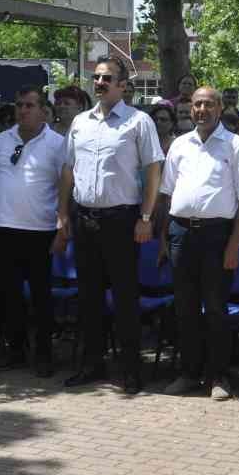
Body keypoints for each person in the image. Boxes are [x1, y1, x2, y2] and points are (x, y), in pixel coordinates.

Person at [56, 56, 163, 395]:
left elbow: (154, 172)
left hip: (122, 220)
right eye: (97, 77)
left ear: (122, 85)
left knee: (125, 298)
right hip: (85, 218)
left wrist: (146, 217)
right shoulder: (80, 123)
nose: (100, 83)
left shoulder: (138, 122)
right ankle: (92, 364)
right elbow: (68, 171)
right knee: (88, 298)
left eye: (107, 78)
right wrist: (62, 215)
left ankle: (130, 370)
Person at [158, 85, 239, 401]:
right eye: (196, 104)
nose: (201, 110)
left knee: (215, 309)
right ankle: (189, 373)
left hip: (218, 236)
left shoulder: (235, 145)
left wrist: (233, 244)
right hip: (180, 234)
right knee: (185, 308)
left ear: (219, 108)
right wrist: (163, 237)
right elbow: (167, 194)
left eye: (208, 105)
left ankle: (219, 377)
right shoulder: (179, 145)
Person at [0, 86, 66, 376]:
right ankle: (14, 350)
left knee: (41, 298)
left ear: (43, 111)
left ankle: (43, 354)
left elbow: (67, 187)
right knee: (8, 296)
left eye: (29, 105)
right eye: (19, 105)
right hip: (5, 229)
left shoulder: (58, 144)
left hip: (41, 232)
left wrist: (64, 225)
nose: (23, 110)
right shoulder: (1, 140)